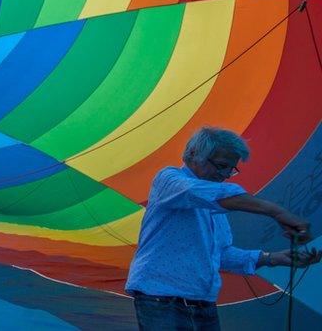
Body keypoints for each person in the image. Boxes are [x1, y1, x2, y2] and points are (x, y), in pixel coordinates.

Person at [126, 126, 321, 330]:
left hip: (203, 303)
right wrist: (276, 211)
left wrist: (272, 258)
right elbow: (196, 191)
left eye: (231, 169)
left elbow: (221, 254)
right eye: (220, 166)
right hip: (161, 300)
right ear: (193, 154)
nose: (225, 174)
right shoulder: (168, 179)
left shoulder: (216, 208)